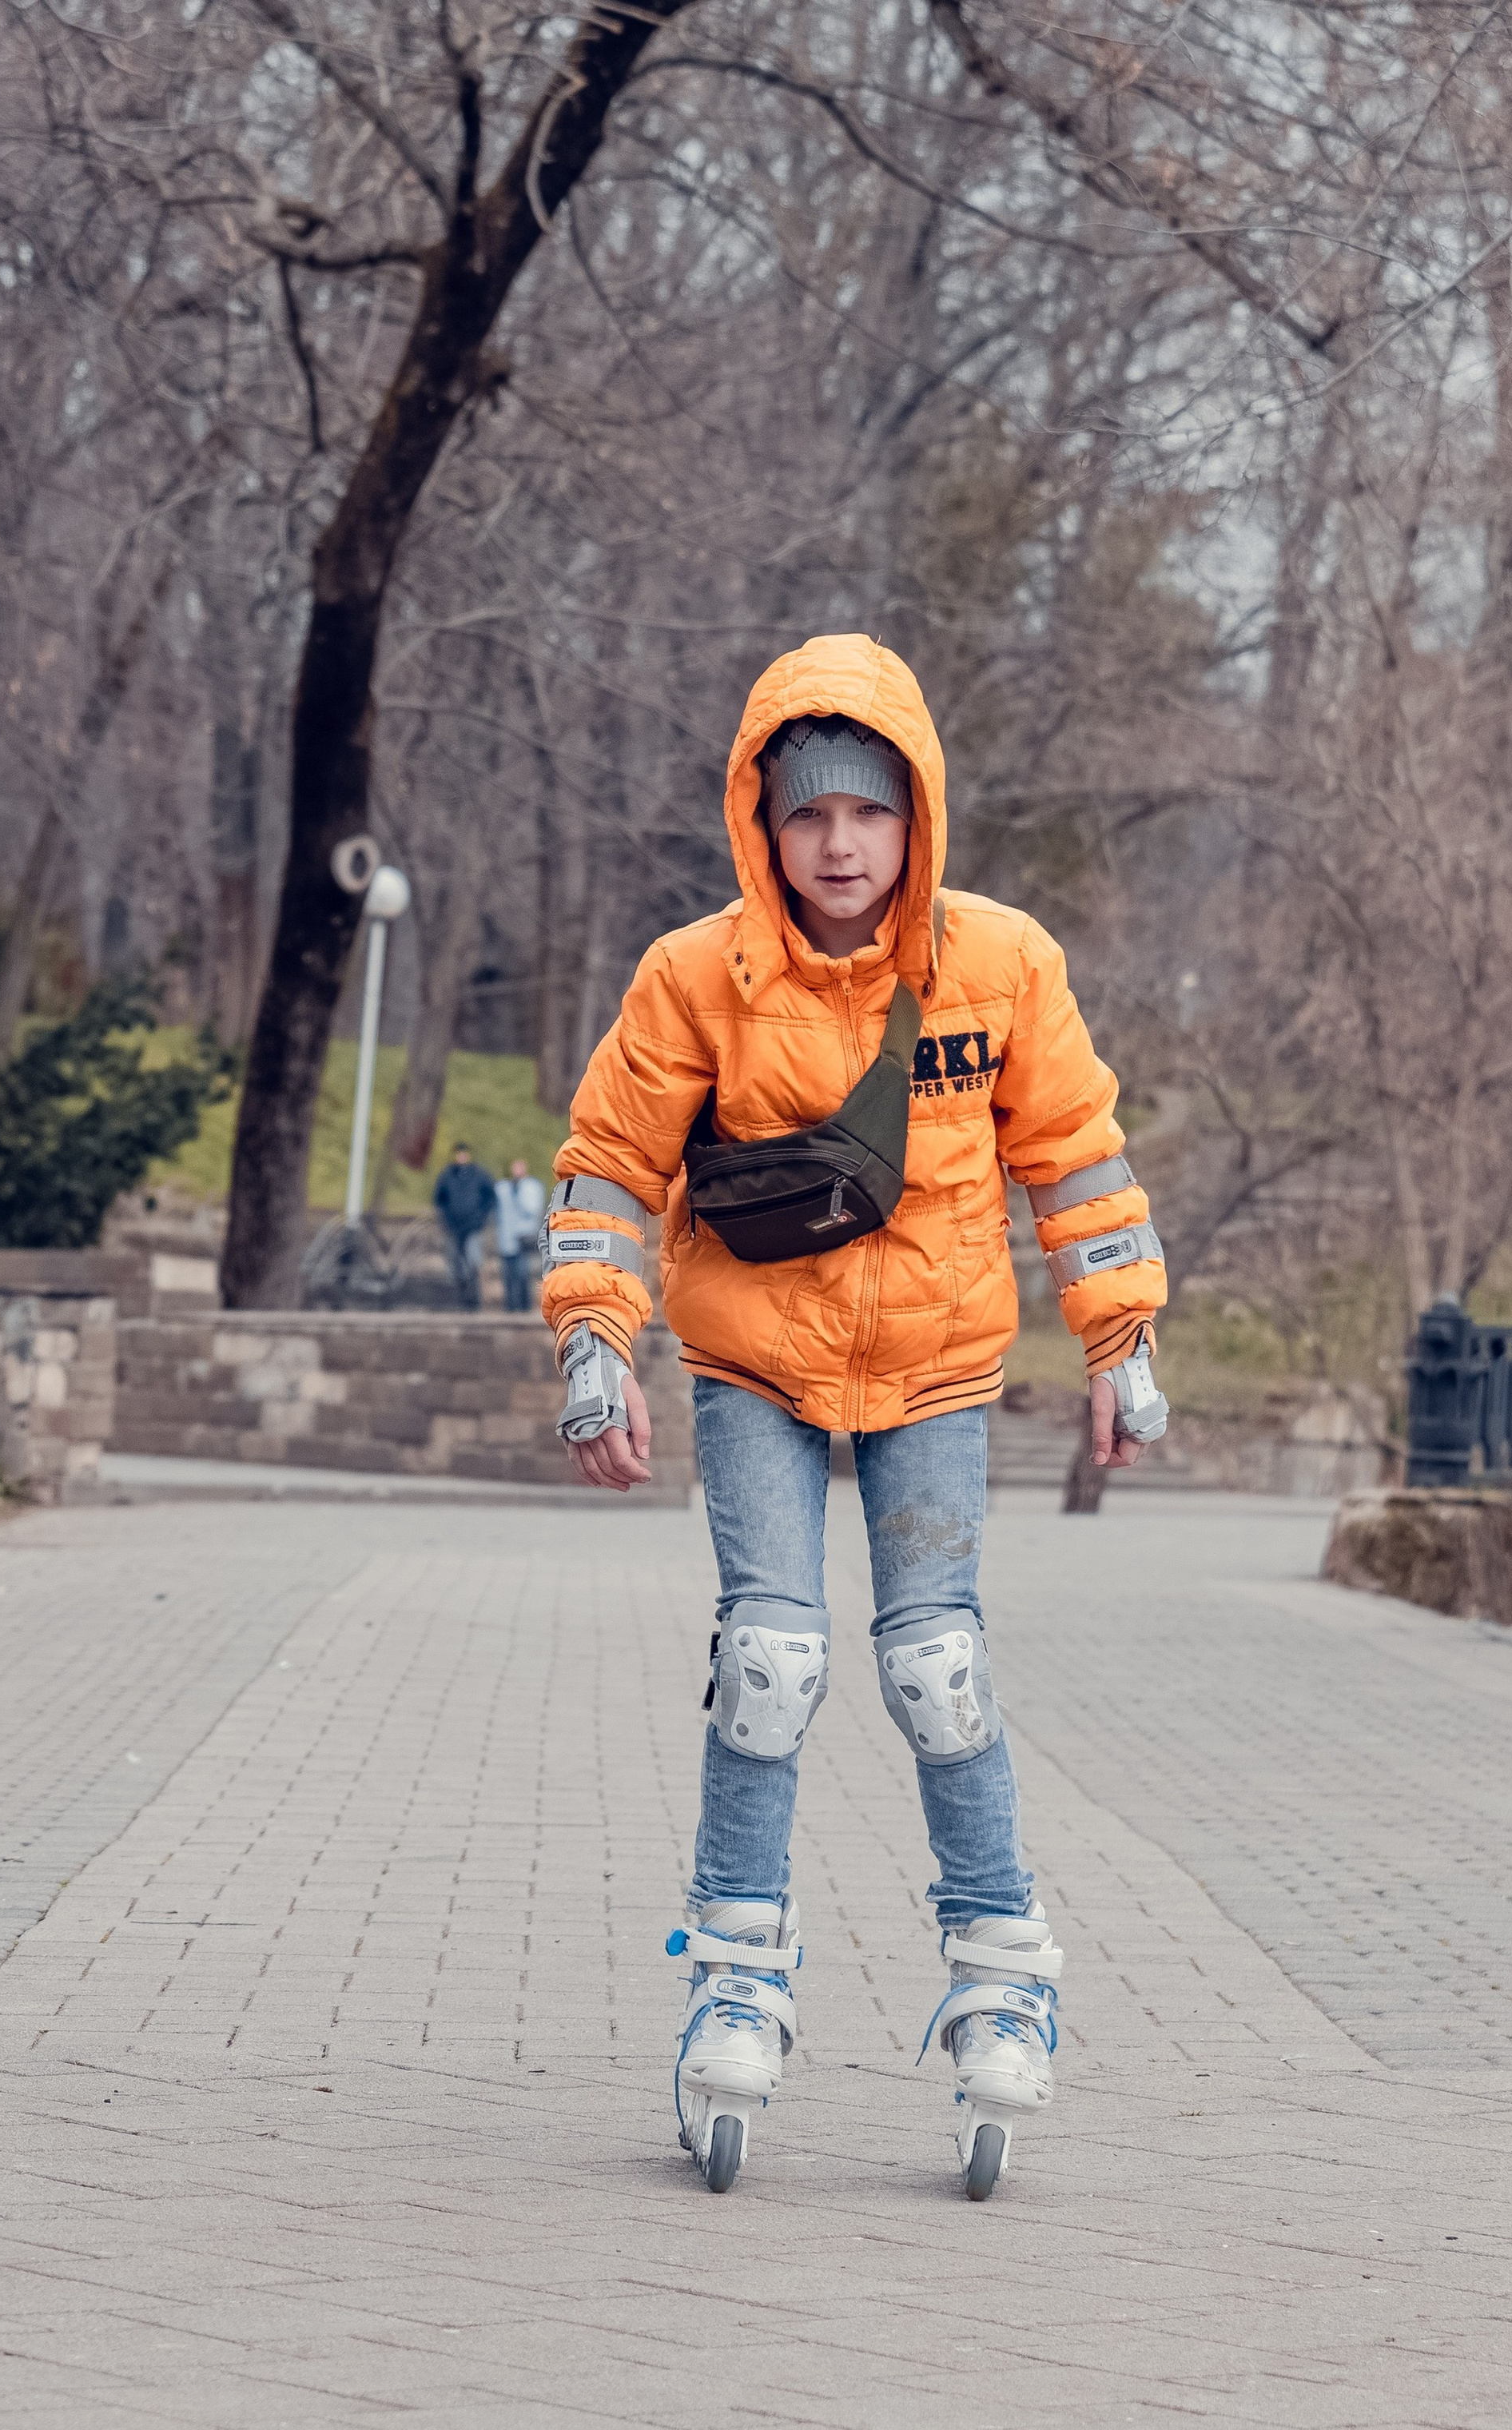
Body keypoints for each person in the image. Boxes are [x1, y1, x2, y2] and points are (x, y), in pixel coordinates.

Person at [539, 634, 1169, 2201]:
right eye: (809, 813)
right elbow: (610, 1164)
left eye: (868, 816)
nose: (838, 845)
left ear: (914, 821)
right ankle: (736, 1967)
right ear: (763, 817)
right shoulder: (697, 977)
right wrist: (592, 1342)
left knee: (932, 1665)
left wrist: (1120, 1338)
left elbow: (1075, 1159)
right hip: (753, 1360)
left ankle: (1002, 1961)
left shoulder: (999, 968)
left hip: (936, 1367)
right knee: (770, 1659)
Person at [432, 1141, 495, 1309]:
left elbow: (491, 1198)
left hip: (473, 1228)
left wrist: (480, 1218)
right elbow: (439, 1200)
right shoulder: (447, 1175)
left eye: (464, 1153)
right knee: (455, 1264)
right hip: (453, 1228)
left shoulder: (479, 1175)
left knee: (473, 1262)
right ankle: (461, 1298)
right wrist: (446, 1219)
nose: (461, 1156)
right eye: (459, 1153)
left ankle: (474, 1299)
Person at [493, 1156, 547, 1311]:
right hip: (507, 1237)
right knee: (508, 1274)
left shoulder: (532, 1187)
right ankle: (510, 1306)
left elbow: (532, 1209)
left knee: (523, 1273)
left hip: (524, 1237)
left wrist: (519, 1194)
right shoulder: (504, 1187)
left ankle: (524, 1306)